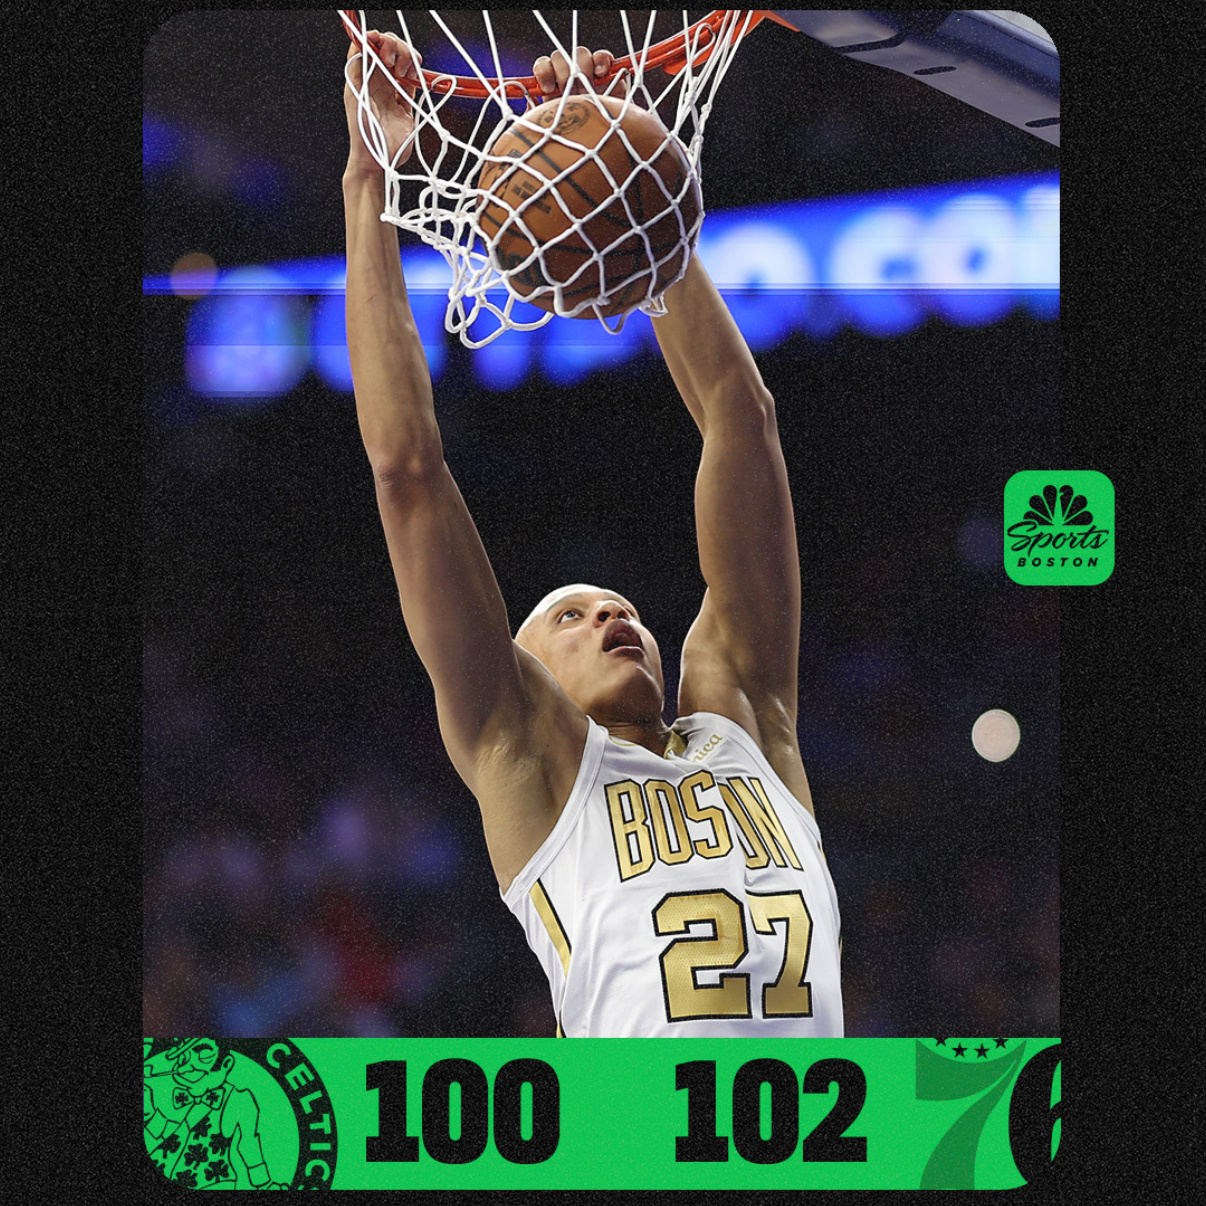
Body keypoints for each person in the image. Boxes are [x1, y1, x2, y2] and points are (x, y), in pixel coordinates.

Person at [342, 34, 843, 1037]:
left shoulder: (745, 721)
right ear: (524, 671)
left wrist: (638, 210)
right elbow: (407, 474)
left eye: (618, 609)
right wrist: (367, 181)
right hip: (634, 1124)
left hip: (819, 1119)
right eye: (568, 617)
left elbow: (741, 422)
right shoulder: (526, 756)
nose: (611, 613)